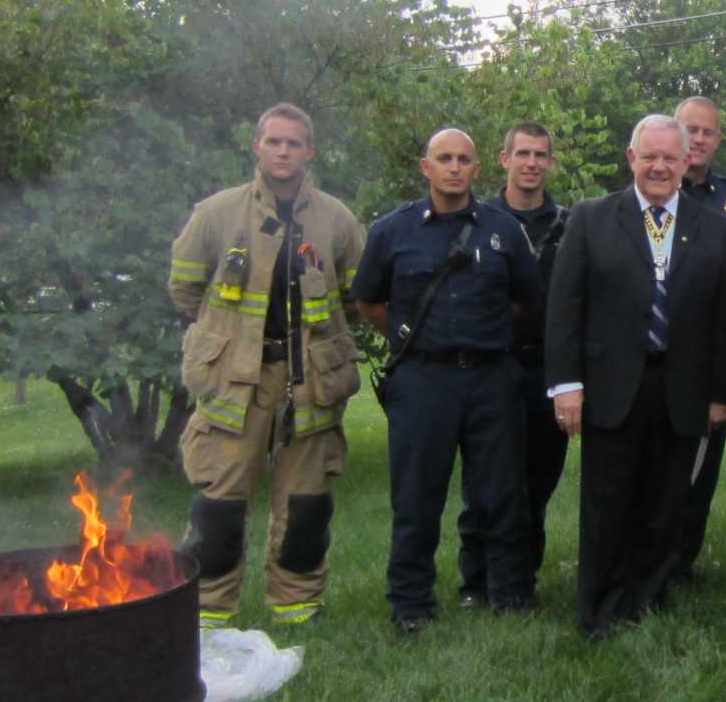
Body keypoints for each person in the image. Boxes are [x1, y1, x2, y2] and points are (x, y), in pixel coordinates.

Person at [545, 115, 726, 639]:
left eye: (670, 158)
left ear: (686, 163)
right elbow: (565, 305)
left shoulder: (716, 227)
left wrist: (724, 392)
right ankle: (599, 609)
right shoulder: (591, 218)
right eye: (649, 156)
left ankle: (646, 602)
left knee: (665, 502)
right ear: (631, 158)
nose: (659, 166)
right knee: (608, 503)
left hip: (683, 388)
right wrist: (566, 384)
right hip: (611, 386)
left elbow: (725, 314)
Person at [169, 103, 364, 629]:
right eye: (274, 142)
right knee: (221, 500)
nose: (283, 151)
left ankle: (296, 606)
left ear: (310, 152)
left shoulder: (336, 219)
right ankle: (209, 611)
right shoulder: (217, 213)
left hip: (311, 379)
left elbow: (357, 294)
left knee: (306, 501)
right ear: (257, 146)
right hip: (237, 378)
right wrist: (224, 339)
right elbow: (185, 289)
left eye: (294, 143)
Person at [352, 129, 544, 634]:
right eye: (444, 159)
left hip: (492, 378)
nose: (454, 168)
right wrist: (412, 339)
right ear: (426, 167)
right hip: (423, 380)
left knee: (501, 493)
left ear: (478, 169)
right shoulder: (392, 230)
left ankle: (508, 593)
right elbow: (369, 301)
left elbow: (526, 301)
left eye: (463, 159)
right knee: (416, 496)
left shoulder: (503, 230)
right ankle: (410, 603)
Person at [455, 122, 571, 609]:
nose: (531, 163)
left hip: (546, 370)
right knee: (485, 482)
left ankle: (522, 578)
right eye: (521, 153)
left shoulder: (569, 224)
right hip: (488, 369)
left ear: (550, 163)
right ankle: (475, 582)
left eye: (540, 155)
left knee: (537, 483)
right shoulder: (474, 220)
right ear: (503, 160)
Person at [672, 96, 726, 582]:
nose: (698, 139)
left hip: (712, 353)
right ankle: (641, 558)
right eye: (690, 129)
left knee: (701, 468)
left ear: (718, 139)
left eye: (707, 131)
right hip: (654, 352)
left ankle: (680, 563)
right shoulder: (649, 191)